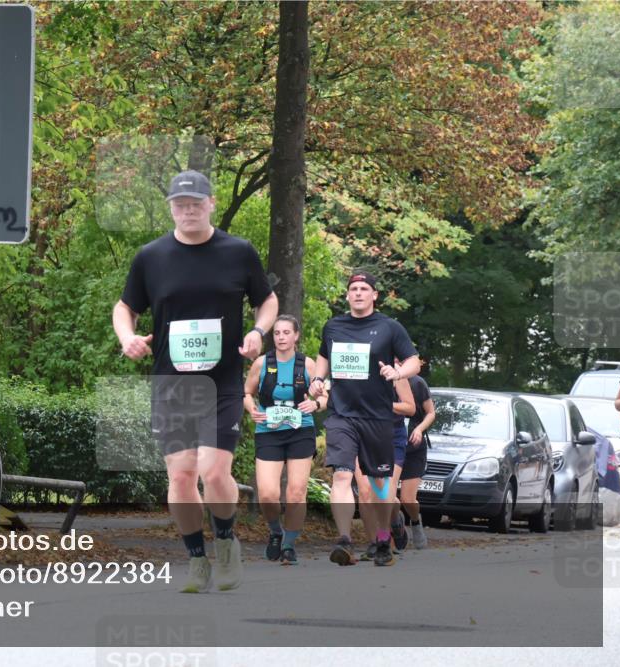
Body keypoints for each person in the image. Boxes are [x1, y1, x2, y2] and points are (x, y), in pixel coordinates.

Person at [113, 170, 278, 593]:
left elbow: (267, 300)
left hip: (222, 380)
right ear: (170, 207)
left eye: (195, 203)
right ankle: (196, 558)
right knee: (182, 475)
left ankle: (226, 543)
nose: (188, 210)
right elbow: (125, 307)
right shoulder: (151, 256)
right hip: (172, 383)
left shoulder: (238, 252)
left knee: (213, 469)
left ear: (211, 203)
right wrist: (128, 337)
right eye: (180, 204)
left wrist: (258, 332)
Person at [309, 271, 420, 567]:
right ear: (347, 295)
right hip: (342, 415)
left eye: (364, 288)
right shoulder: (333, 326)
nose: (358, 293)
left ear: (374, 295)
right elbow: (323, 355)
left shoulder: (389, 328)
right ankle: (344, 540)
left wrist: (398, 373)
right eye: (353, 288)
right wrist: (318, 378)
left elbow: (413, 360)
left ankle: (384, 538)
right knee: (342, 475)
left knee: (379, 486)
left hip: (378, 418)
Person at [243, 315, 325, 565]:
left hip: (300, 429)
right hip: (269, 429)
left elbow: (325, 397)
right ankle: (275, 531)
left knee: (296, 493)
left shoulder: (308, 365)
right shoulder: (261, 363)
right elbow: (246, 392)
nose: (281, 337)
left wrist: (316, 403)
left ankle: (289, 544)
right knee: (268, 494)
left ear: (296, 336)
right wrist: (251, 409)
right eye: (277, 333)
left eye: (286, 333)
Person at [355, 371, 414, 559]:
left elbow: (410, 408)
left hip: (392, 437)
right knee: (366, 492)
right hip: (363, 435)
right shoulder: (356, 370)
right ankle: (375, 542)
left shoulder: (397, 374)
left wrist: (385, 406)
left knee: (384, 493)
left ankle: (391, 527)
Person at [399, 371, 435, 548]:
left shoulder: (417, 383)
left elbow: (430, 413)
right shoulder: (381, 381)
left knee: (407, 499)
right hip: (388, 447)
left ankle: (415, 520)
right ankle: (392, 531)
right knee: (384, 498)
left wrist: (419, 429)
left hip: (413, 449)